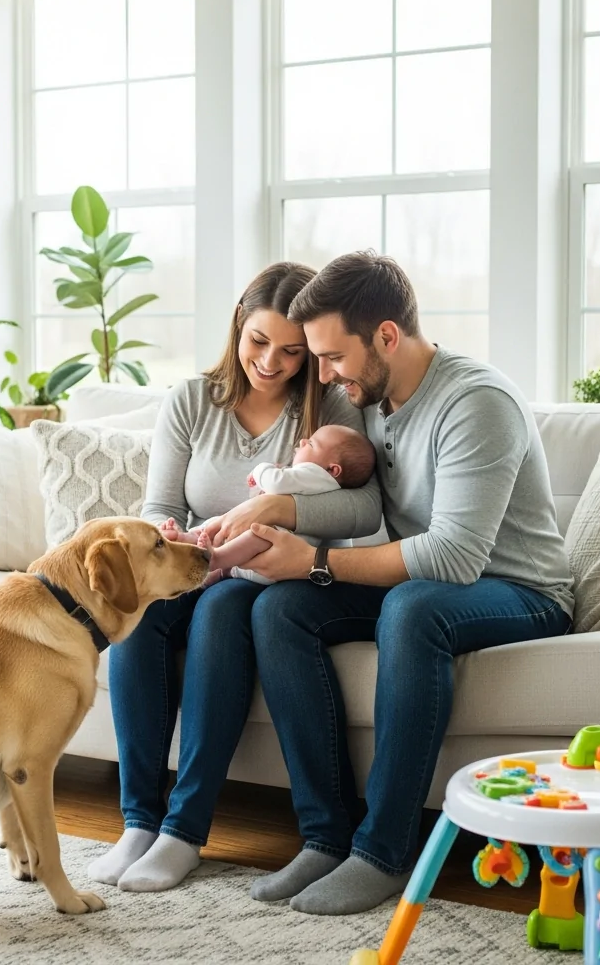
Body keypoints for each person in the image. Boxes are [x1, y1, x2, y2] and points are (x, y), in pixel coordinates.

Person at [230, 250, 573, 916]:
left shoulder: (477, 402)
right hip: (437, 588)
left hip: (524, 592)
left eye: (331, 357)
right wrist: (272, 530)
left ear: (386, 335)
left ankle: (385, 851)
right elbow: (351, 504)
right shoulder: (374, 401)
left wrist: (316, 562)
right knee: (279, 610)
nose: (323, 375)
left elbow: (453, 558)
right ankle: (326, 837)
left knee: (413, 609)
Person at [86, 262, 383, 893]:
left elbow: (363, 507)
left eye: (291, 350)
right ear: (236, 331)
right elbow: (161, 504)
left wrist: (276, 508)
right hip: (193, 563)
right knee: (136, 616)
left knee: (224, 612)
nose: (271, 362)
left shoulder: (330, 408)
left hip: (272, 574)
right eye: (258, 342)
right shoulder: (192, 402)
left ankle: (183, 833)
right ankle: (139, 820)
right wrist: (168, 536)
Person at [167, 424, 376, 585]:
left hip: (275, 557)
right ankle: (195, 545)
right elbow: (261, 499)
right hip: (263, 562)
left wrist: (262, 470)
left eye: (311, 444)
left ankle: (214, 558)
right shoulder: (313, 480)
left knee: (255, 534)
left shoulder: (316, 475)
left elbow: (275, 482)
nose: (303, 442)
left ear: (333, 470)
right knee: (225, 522)